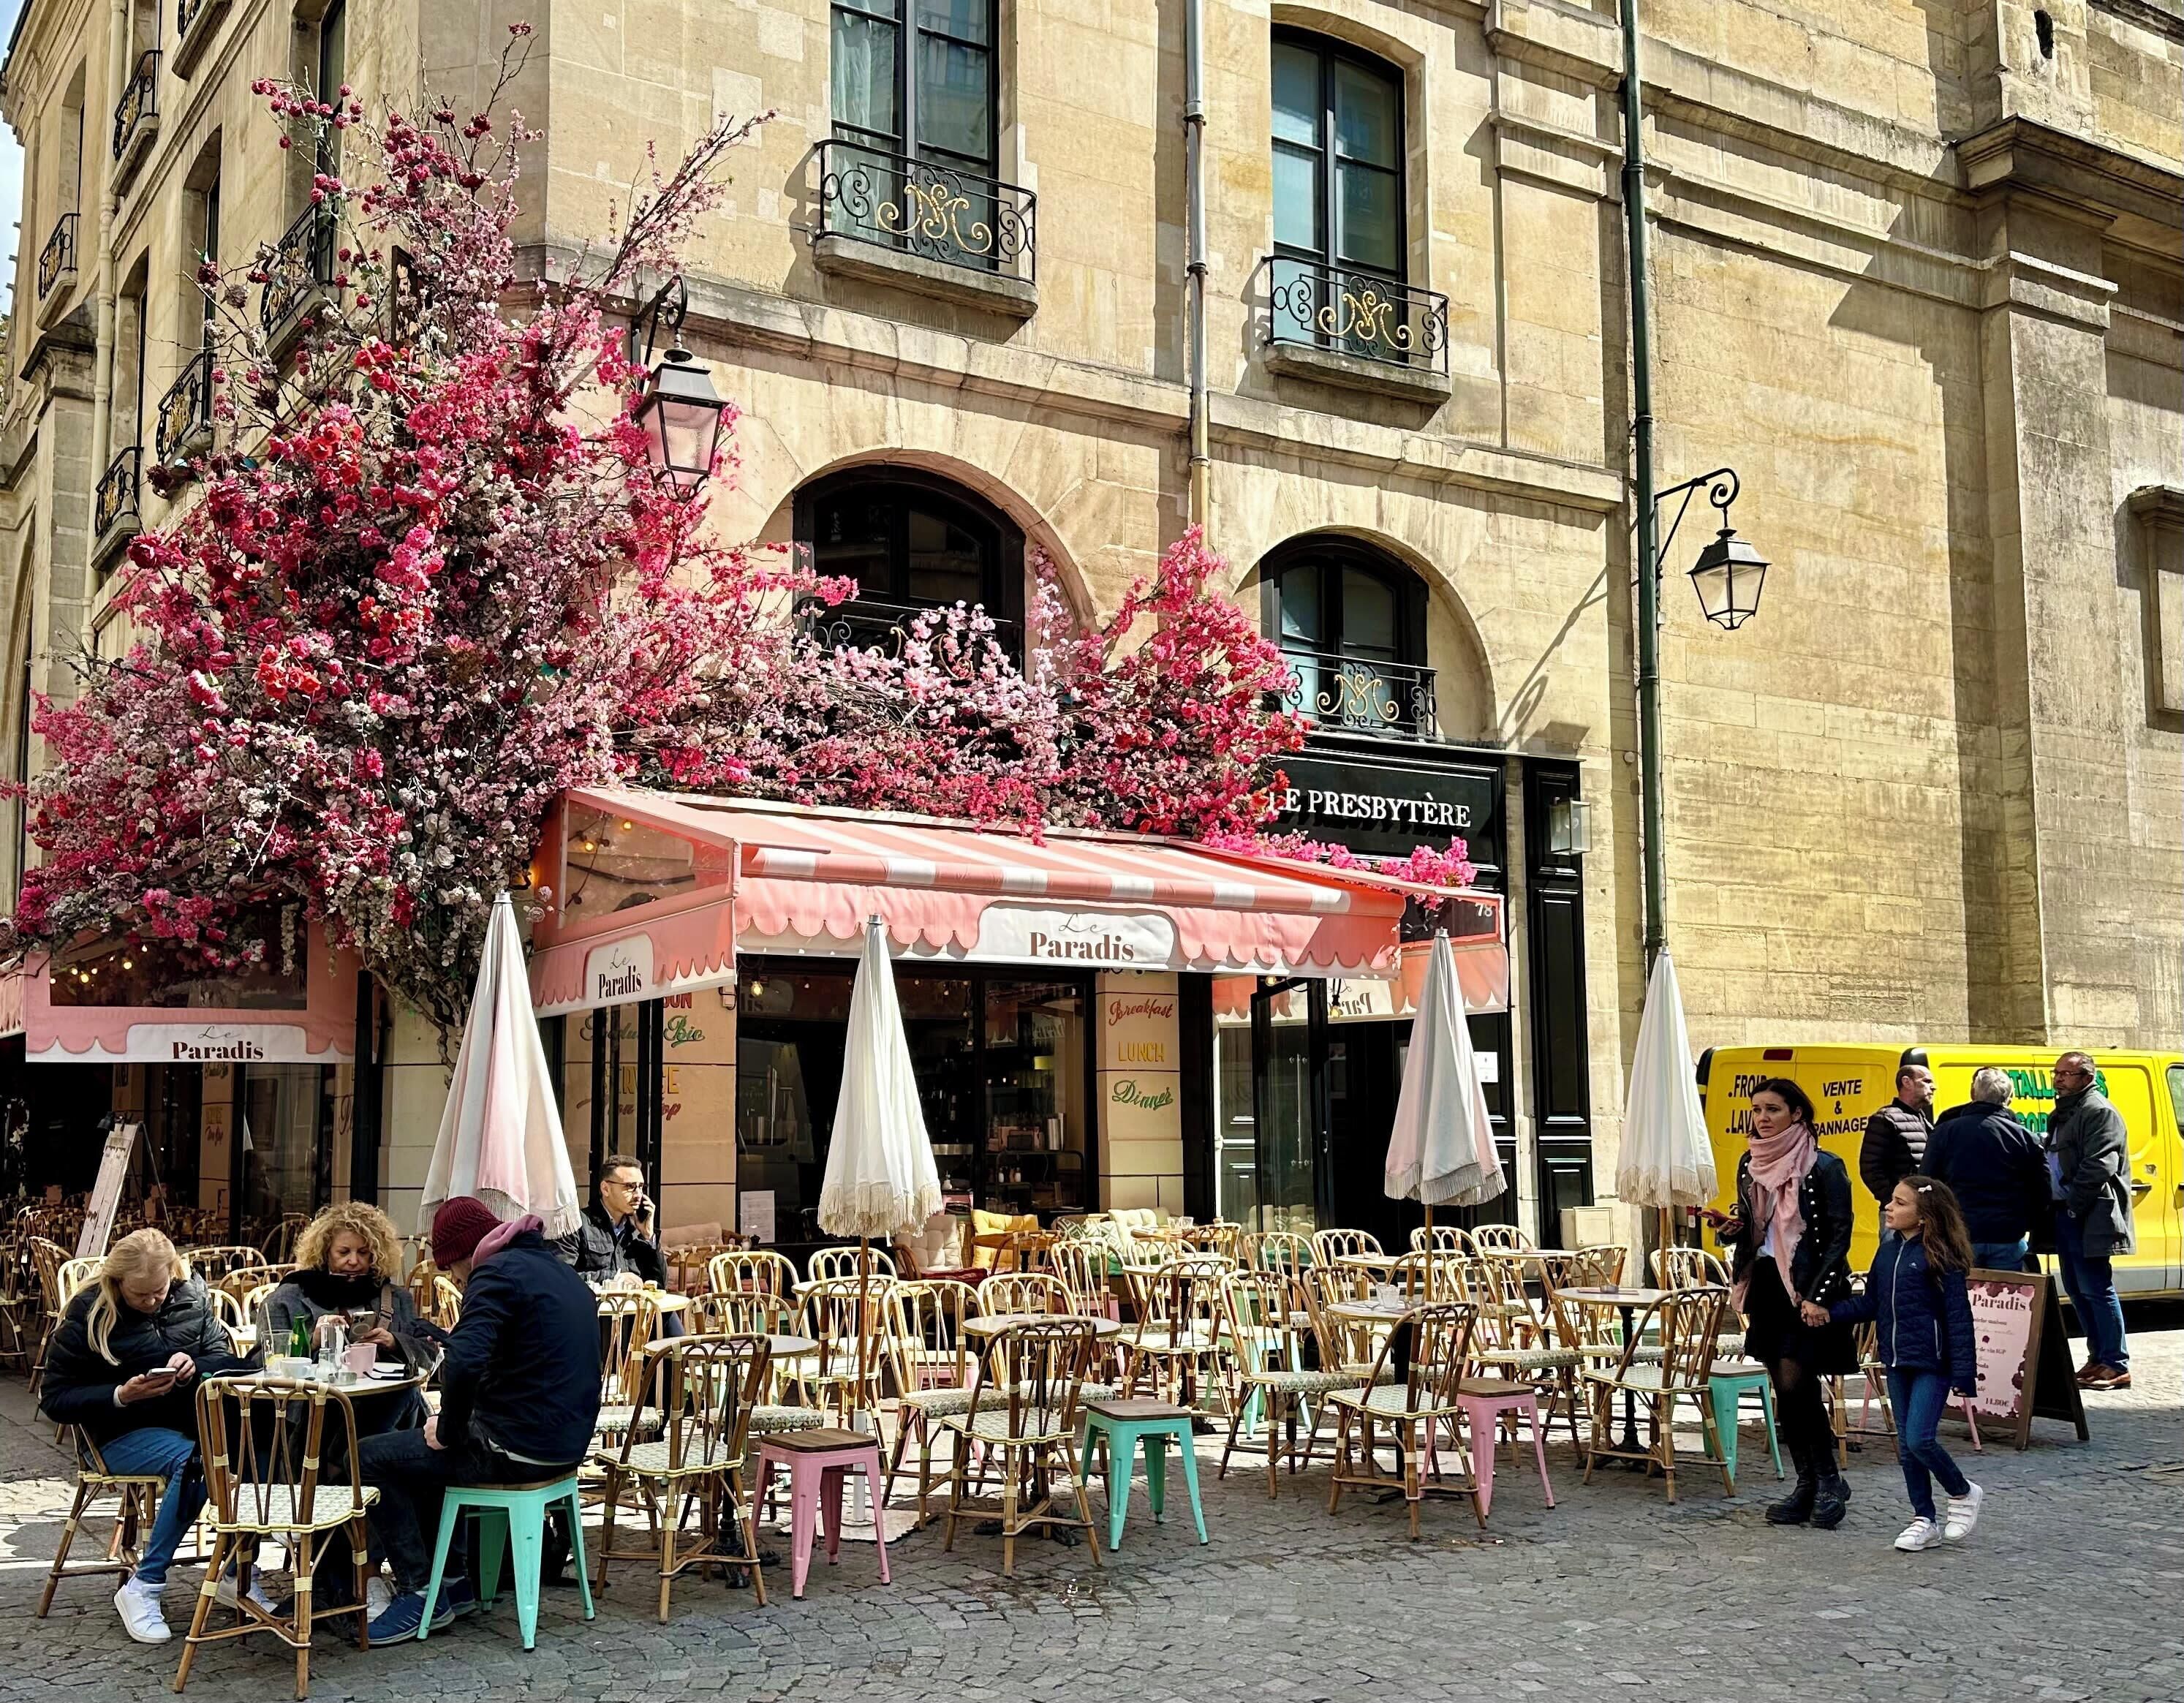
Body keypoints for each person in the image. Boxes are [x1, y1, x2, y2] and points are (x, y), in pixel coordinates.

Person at [359, 1197, 601, 1642]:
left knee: (369, 1456)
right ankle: (455, 1582)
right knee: (418, 1455)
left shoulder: (495, 1273)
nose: (454, 1279)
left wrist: (451, 1430)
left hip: (517, 1447)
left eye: (452, 1269)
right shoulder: (554, 1268)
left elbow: (465, 1363)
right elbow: (524, 1355)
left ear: (464, 1255)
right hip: (565, 1444)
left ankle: (418, 1591)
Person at [37, 1228, 255, 1644]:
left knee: (252, 1445)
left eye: (160, 1290)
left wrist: (195, 1362)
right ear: (117, 1283)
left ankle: (235, 1569)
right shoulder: (88, 1311)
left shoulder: (191, 1294)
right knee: (198, 1460)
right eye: (141, 1296)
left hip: (188, 1421)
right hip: (117, 1434)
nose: (153, 1301)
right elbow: (55, 1398)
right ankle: (144, 1585)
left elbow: (226, 1358)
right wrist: (121, 1395)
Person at [1705, 1077, 1857, 1530]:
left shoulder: (1825, 1166)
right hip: (1768, 1283)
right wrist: (1732, 1229)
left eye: (1772, 1109)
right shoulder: (1749, 1165)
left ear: (1797, 1113)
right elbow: (1755, 1225)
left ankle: (1829, 1480)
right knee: (1784, 1391)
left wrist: (1818, 1295)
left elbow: (1838, 1236)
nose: (1762, 1118)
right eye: (1756, 1110)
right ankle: (1807, 1483)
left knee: (1796, 1386)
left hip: (1806, 1288)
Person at [1830, 1177, 1982, 1552]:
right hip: (1896, 1360)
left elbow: (1959, 1319)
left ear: (1925, 1216)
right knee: (1907, 1445)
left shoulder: (1943, 1256)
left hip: (1933, 1362)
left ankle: (1962, 1492)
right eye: (1891, 1201)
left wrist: (1963, 1374)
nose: (1889, 1208)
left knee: (1920, 1438)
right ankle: (1923, 1519)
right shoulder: (1887, 1251)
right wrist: (1827, 1313)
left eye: (1899, 1203)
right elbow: (1872, 1304)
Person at [260, 1201, 437, 1382]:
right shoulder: (287, 1299)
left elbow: (430, 1356)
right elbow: (260, 1364)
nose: (353, 1261)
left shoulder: (397, 1298)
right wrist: (312, 1342)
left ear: (375, 1254)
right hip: (316, 1405)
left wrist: (395, 1343)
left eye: (363, 1252)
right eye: (344, 1252)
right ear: (325, 1252)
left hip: (388, 1402)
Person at [2048, 1051, 2134, 1390]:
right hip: (2067, 1214)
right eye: (2056, 1073)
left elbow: (2099, 1166)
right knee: (2077, 1290)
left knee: (2096, 1288)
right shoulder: (2066, 1112)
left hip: (2090, 1214)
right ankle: (2098, 1358)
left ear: (2087, 1077)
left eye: (2066, 1074)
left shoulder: (2098, 1111)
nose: (2058, 1079)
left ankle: (2116, 1362)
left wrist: (2073, 1204)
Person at [1925, 1067, 2049, 1271]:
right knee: (2004, 1298)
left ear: (1973, 1094)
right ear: (2009, 1098)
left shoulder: (1945, 1132)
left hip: (1960, 1231)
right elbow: (2042, 1189)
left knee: (1962, 1297)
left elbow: (1928, 1182)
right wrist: (2026, 1222)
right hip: (2008, 1234)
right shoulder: (2025, 1137)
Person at [556, 1154, 667, 1286]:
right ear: (606, 1189)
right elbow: (560, 1277)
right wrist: (614, 1278)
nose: (638, 1195)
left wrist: (649, 1237)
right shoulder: (577, 1224)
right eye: (630, 1186)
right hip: (595, 1306)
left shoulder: (637, 1232)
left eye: (641, 1187)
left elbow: (660, 1285)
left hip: (635, 1306)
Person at [1859, 1061, 1935, 1209]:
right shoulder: (1885, 1119)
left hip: (1921, 1210)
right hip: (1898, 1213)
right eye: (1926, 1081)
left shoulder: (1923, 1121)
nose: (1933, 1087)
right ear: (1907, 1082)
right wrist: (1896, 1202)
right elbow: (1870, 1169)